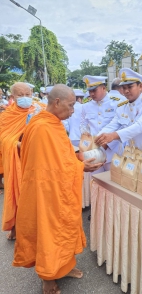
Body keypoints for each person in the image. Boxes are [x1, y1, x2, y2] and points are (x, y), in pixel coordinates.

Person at [12, 84, 103, 294]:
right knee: (49, 232)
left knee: (64, 228)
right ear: (57, 102)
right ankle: (48, 278)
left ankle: (64, 266)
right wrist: (81, 166)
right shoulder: (42, 127)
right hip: (46, 193)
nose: (73, 110)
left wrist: (78, 158)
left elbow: (60, 157)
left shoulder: (53, 123)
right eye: (71, 105)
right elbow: (48, 169)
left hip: (57, 190)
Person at [0, 82, 45, 239]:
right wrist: (18, 144)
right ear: (12, 97)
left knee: (37, 194)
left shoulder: (40, 110)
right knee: (18, 193)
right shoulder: (7, 116)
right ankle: (16, 227)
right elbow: (3, 139)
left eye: (28, 94)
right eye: (21, 95)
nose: (25, 98)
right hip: (17, 160)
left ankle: (37, 227)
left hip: (37, 158)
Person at [95, 68, 142, 158]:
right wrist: (97, 138)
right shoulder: (122, 107)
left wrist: (114, 135)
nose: (126, 91)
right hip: (133, 154)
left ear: (141, 86)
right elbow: (112, 125)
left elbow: (140, 126)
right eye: (124, 88)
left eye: (130, 87)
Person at [81, 75, 122, 171]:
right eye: (89, 91)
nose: (91, 94)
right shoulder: (86, 106)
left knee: (114, 182)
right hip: (93, 153)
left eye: (94, 90)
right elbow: (83, 126)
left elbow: (120, 127)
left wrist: (106, 145)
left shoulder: (117, 103)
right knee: (95, 183)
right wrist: (87, 143)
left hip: (113, 151)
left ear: (104, 88)